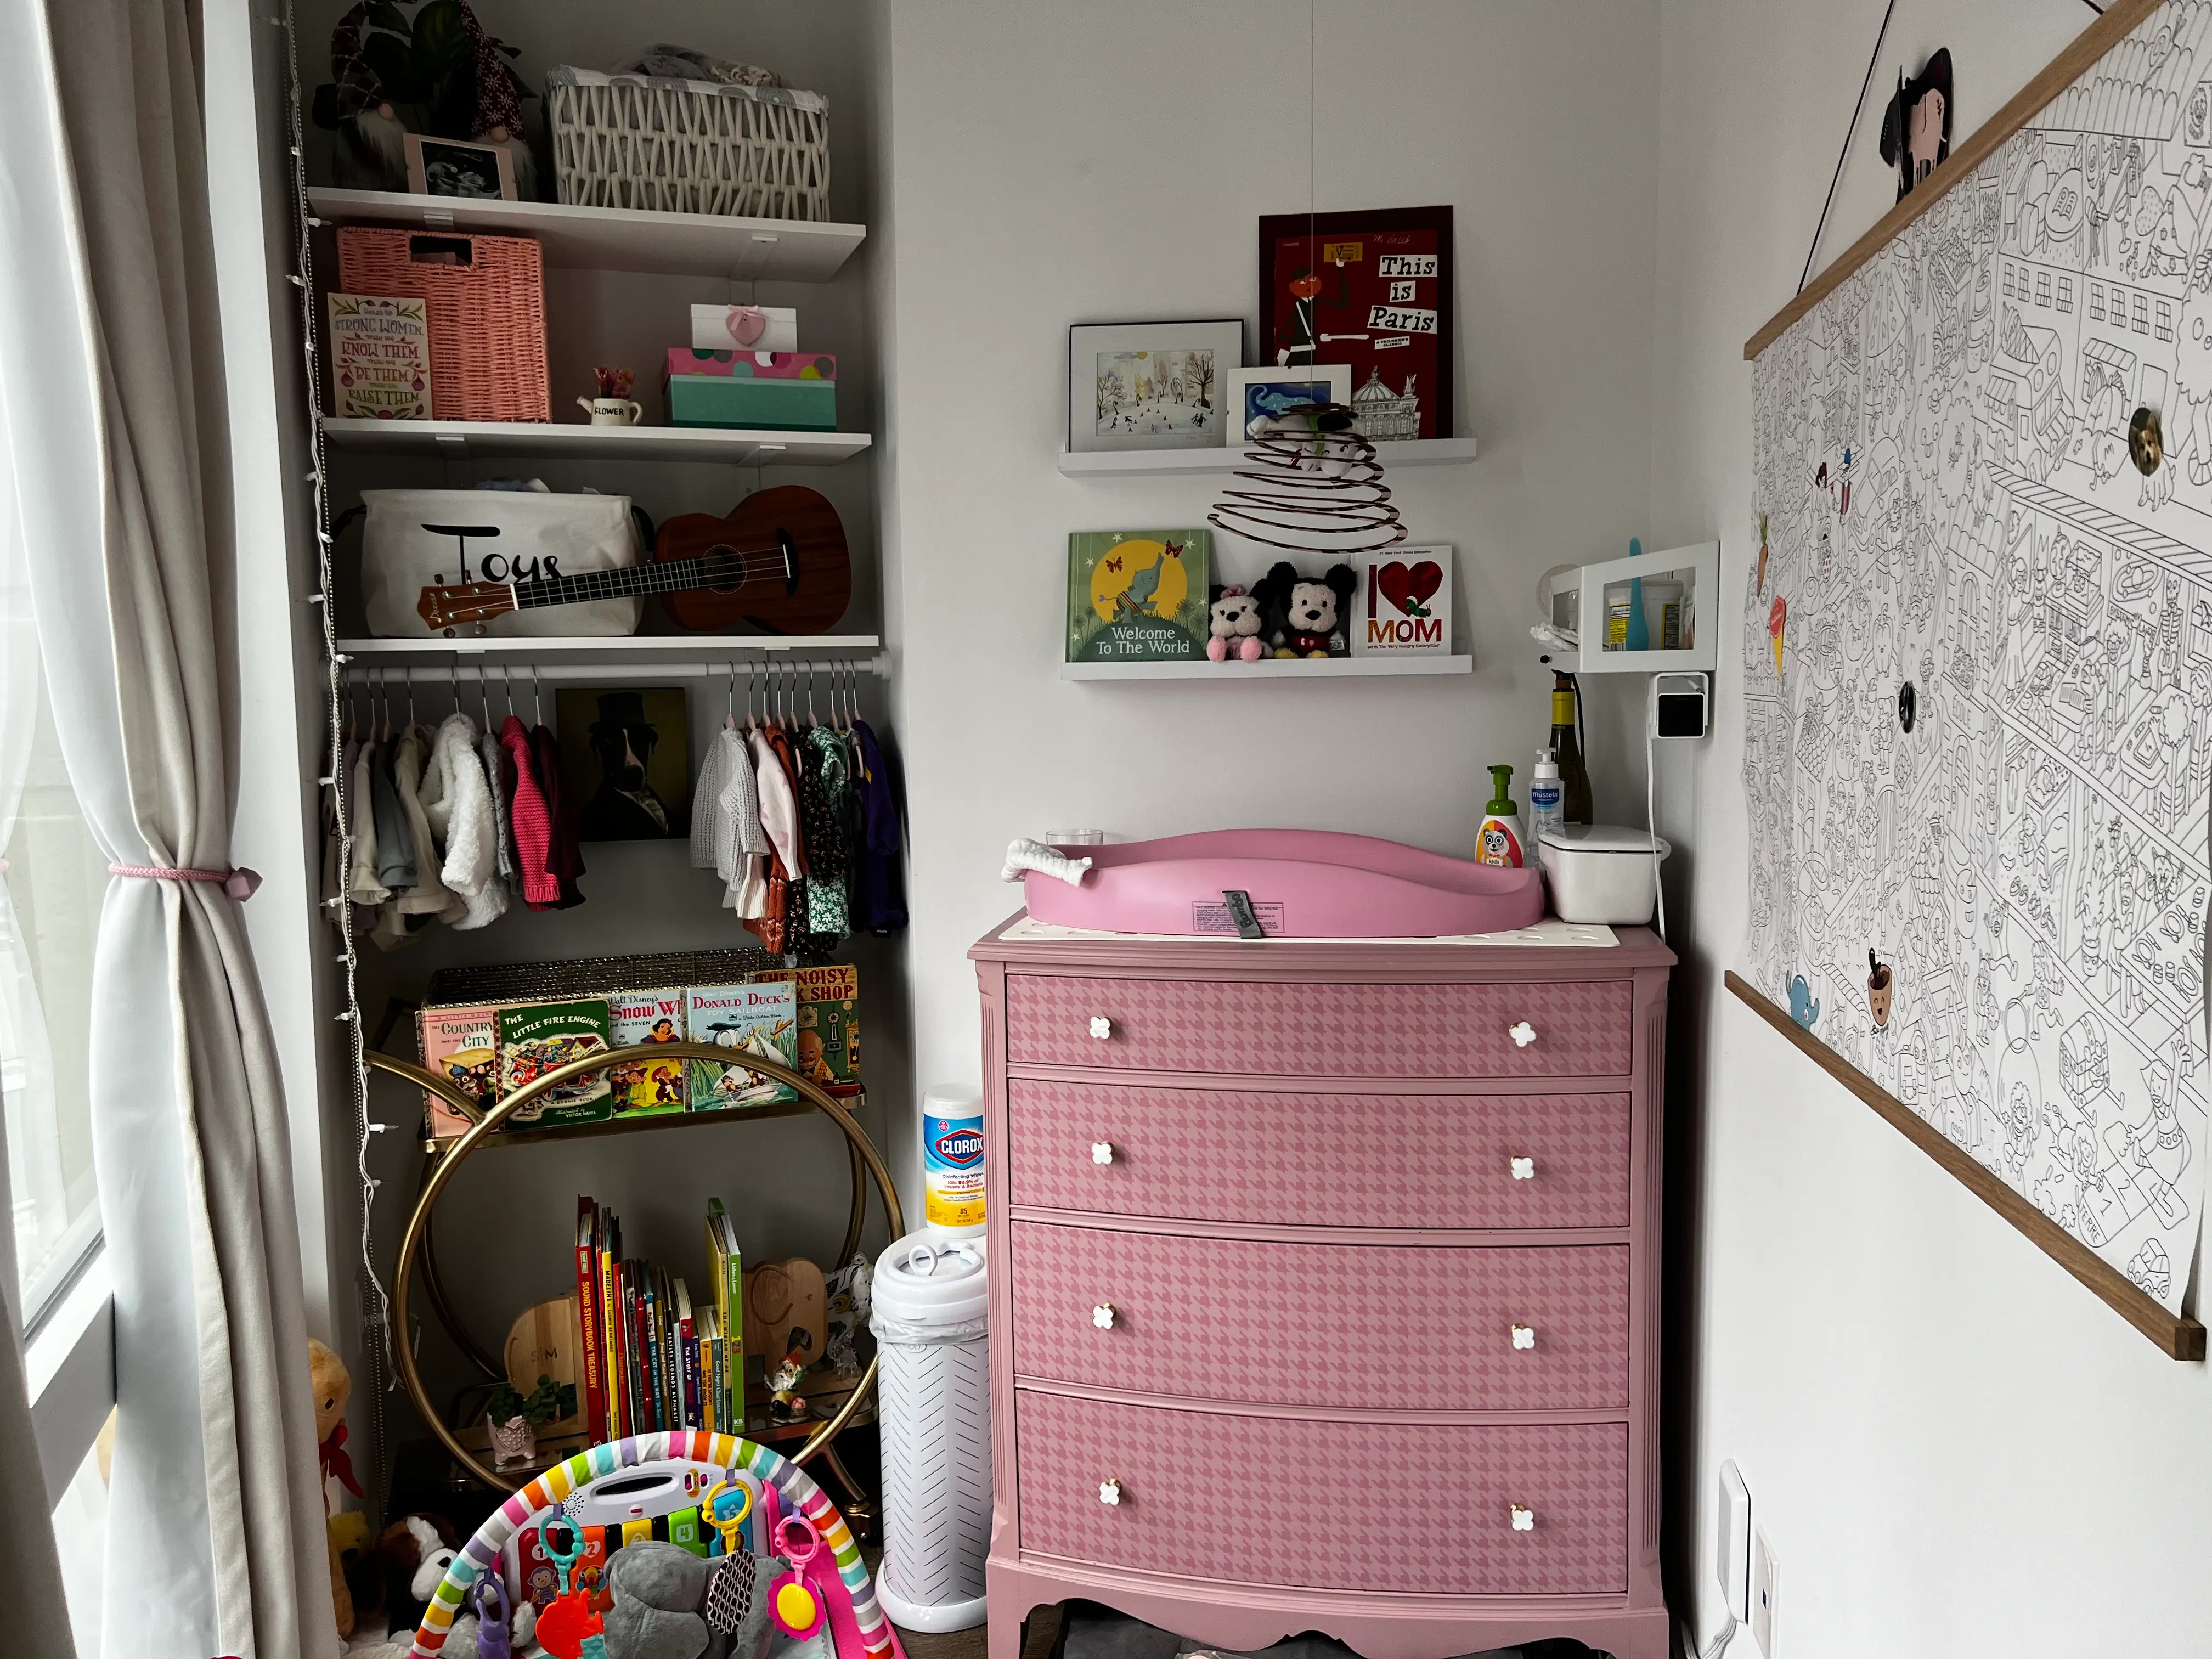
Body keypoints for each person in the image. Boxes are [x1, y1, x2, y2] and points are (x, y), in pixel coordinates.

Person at [579, 691, 675, 839]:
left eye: (640, 740)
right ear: (598, 748)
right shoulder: (595, 815)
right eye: (613, 742)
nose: (632, 763)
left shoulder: (653, 799)